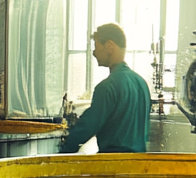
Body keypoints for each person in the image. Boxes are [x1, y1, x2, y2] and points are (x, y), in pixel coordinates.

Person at [60, 22, 151, 154]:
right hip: (140, 164)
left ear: (109, 46)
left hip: (113, 164)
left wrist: (62, 151)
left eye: (96, 46)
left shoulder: (107, 87)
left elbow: (88, 126)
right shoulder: (141, 83)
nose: (94, 53)